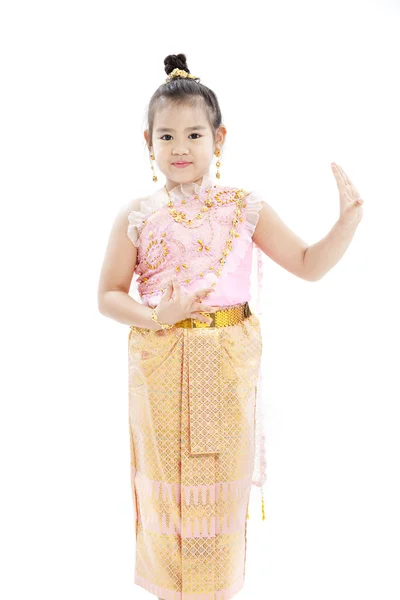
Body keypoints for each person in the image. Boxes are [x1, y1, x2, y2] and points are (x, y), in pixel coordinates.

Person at [97, 53, 364, 600]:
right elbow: (107, 296)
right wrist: (157, 316)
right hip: (161, 365)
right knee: (167, 488)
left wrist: (347, 223)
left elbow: (310, 264)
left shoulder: (245, 207)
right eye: (166, 136)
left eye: (193, 134)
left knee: (218, 490)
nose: (180, 148)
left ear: (219, 139)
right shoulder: (137, 216)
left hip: (225, 368)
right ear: (146, 141)